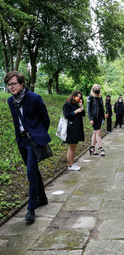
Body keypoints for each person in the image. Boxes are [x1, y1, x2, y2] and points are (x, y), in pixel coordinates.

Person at [5, 71, 50, 223]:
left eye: (13, 84)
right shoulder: (11, 101)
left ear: (22, 83)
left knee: (30, 172)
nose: (11, 87)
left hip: (33, 140)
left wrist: (38, 135)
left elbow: (45, 119)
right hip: (22, 141)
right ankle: (42, 198)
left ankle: (31, 209)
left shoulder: (34, 98)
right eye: (8, 85)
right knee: (34, 171)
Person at [63, 91, 85, 170]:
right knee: (71, 146)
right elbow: (66, 115)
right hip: (71, 127)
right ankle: (70, 165)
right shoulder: (67, 104)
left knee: (74, 146)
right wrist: (76, 111)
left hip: (77, 127)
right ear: (73, 96)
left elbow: (83, 114)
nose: (77, 98)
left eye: (79, 97)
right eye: (76, 96)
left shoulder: (76, 105)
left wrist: (81, 106)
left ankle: (72, 162)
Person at [87, 84, 105, 156]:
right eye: (96, 88)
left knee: (95, 132)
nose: (97, 89)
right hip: (94, 118)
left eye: (98, 88)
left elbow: (102, 108)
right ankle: (101, 149)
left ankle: (92, 148)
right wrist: (90, 118)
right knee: (98, 132)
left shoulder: (100, 98)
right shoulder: (91, 97)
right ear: (93, 89)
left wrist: (103, 117)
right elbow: (88, 109)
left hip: (100, 117)